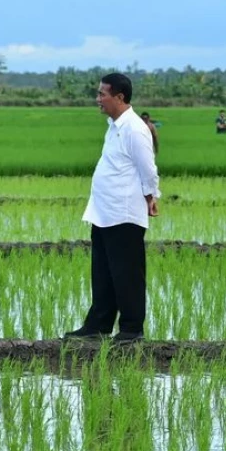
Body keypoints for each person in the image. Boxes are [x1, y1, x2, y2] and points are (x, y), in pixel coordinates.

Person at [64, 73, 160, 344]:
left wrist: (152, 196)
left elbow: (148, 170)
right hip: (104, 212)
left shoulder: (134, 129)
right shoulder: (114, 125)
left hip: (124, 213)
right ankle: (98, 325)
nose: (98, 99)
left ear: (119, 97)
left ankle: (131, 329)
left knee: (127, 273)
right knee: (103, 272)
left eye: (102, 94)